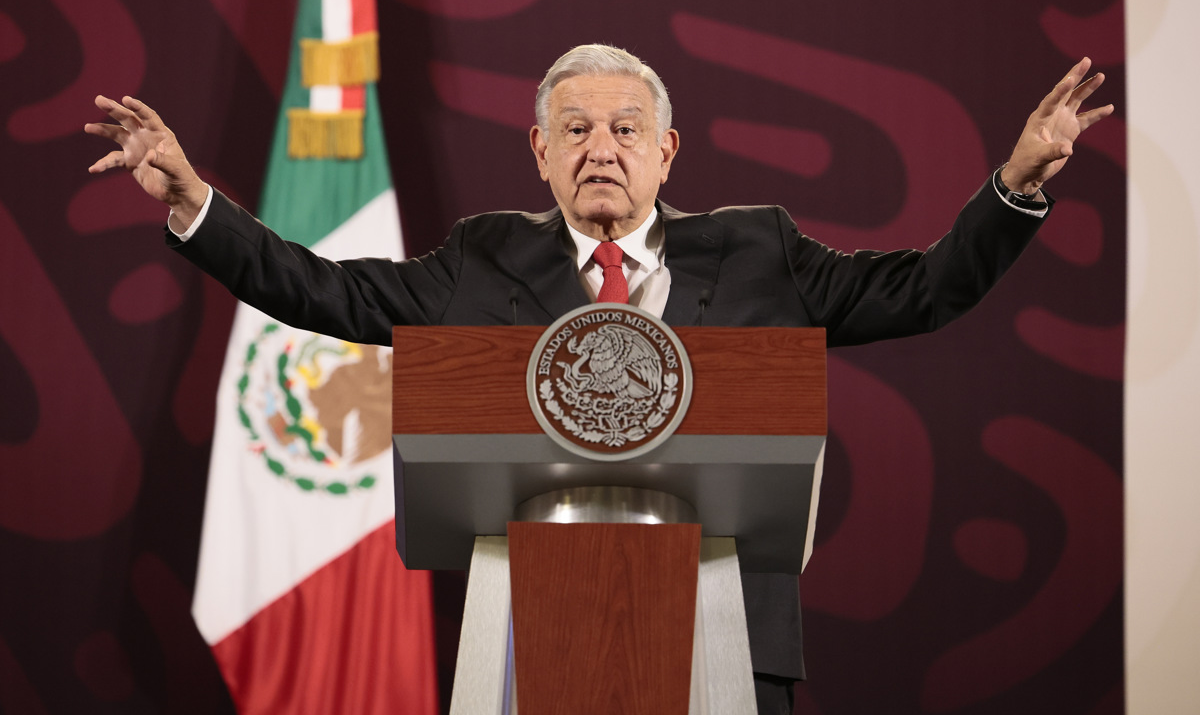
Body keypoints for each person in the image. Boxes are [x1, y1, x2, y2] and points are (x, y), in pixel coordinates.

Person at [86, 45, 1112, 714]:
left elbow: (923, 290)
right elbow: (329, 294)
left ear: (667, 151)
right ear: (540, 152)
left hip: (728, 631)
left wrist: (1014, 184)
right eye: (574, 128)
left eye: (625, 127)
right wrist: (197, 204)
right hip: (527, 631)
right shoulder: (483, 257)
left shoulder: (761, 249)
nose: (601, 147)